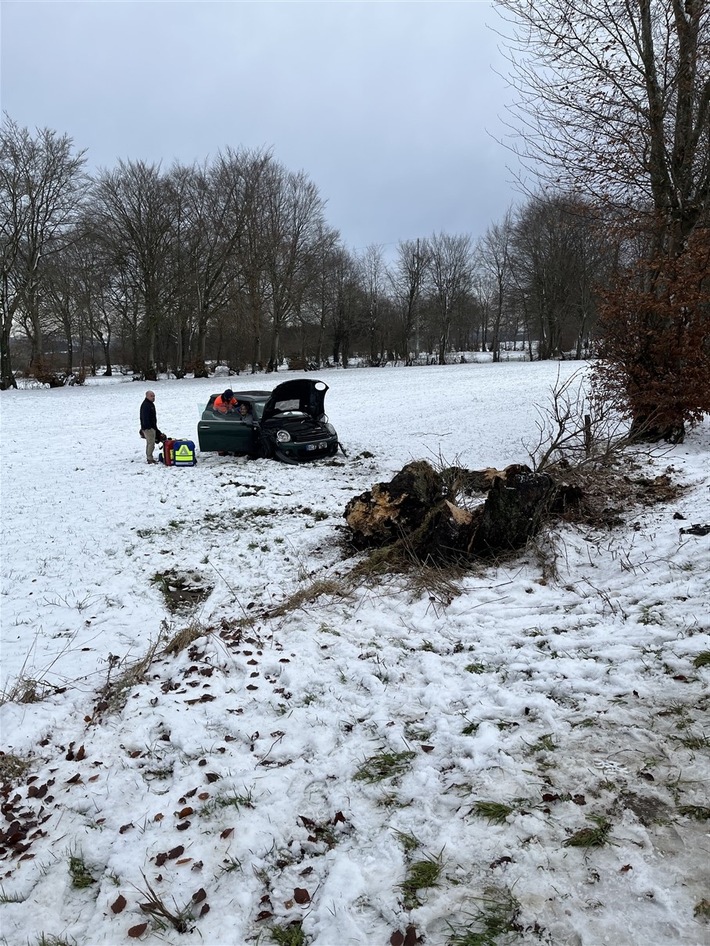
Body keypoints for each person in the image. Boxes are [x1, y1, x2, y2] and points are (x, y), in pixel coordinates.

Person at [139, 390, 159, 464]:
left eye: (154, 396)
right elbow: (145, 417)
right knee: (151, 443)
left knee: (150, 443)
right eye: (151, 396)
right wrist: (148, 427)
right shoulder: (146, 405)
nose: (153, 397)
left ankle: (149, 457)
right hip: (148, 428)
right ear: (147, 396)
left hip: (151, 427)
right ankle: (150, 458)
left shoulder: (150, 404)